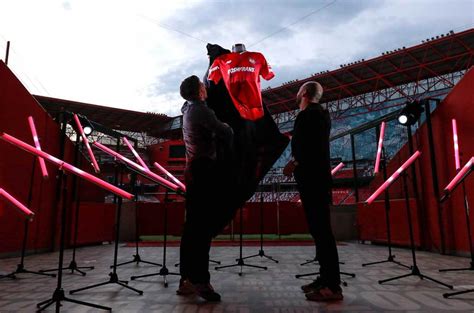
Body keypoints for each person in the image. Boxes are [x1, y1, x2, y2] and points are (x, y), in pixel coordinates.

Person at [283, 81, 343, 301]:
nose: (296, 94)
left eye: (299, 91)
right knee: (319, 232)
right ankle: (325, 278)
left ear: (305, 93)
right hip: (315, 180)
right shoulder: (317, 114)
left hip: (313, 180)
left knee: (322, 232)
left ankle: (332, 286)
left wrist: (294, 163)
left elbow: (308, 148)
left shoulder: (311, 114)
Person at [177, 75, 233, 302]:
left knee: (192, 228)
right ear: (198, 92)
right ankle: (201, 280)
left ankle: (187, 279)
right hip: (204, 170)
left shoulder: (187, 109)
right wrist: (228, 125)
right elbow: (225, 132)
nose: (206, 88)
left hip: (194, 169)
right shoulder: (200, 109)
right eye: (203, 86)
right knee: (202, 228)